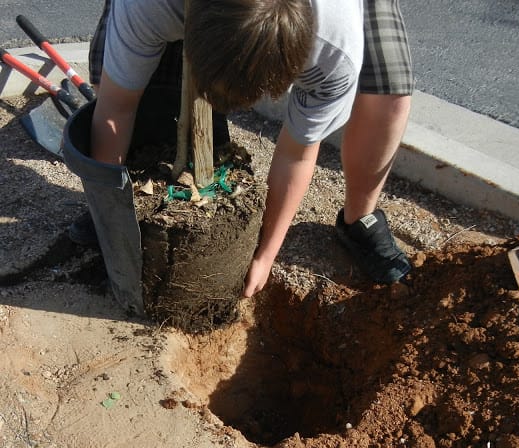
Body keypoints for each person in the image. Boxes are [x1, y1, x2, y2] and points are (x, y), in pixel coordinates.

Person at [80, 0, 414, 297]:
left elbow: (296, 152)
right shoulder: (148, 7)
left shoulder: (333, 50)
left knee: (389, 98)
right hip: (169, 13)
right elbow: (116, 107)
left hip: (325, 25)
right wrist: (112, 219)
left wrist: (265, 254)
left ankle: (359, 223)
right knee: (119, 75)